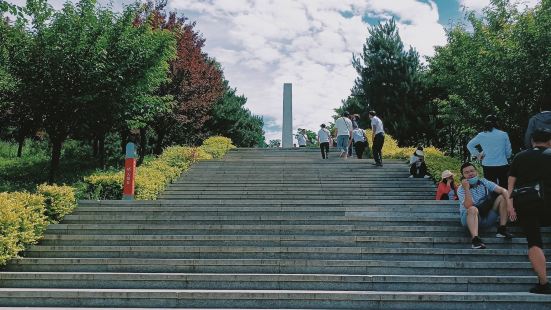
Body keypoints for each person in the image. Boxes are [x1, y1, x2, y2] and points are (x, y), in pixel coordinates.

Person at [508, 128, 551, 294]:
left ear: (532, 141)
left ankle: (543, 283)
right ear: (549, 141)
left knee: (534, 242)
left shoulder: (520, 157)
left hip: (527, 204)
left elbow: (510, 185)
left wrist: (510, 206)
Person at [456, 162, 515, 249]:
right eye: (466, 172)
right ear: (463, 176)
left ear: (476, 172)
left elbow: (504, 191)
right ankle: (475, 240)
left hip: (486, 216)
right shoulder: (461, 189)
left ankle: (502, 229)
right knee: (472, 209)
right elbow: (468, 205)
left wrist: (510, 206)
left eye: (472, 171)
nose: (470, 174)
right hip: (469, 218)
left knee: (503, 197)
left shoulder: (484, 182)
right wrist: (466, 188)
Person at [467, 115, 512, 189]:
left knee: (490, 188)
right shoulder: (503, 134)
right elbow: (508, 151)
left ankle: (492, 200)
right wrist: (506, 157)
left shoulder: (481, 135)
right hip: (502, 164)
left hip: (488, 165)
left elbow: (469, 145)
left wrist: (478, 155)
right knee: (504, 188)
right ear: (497, 123)